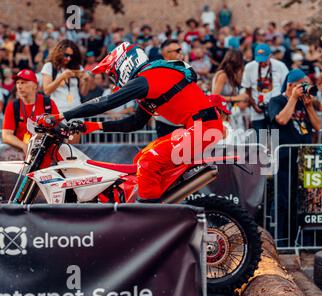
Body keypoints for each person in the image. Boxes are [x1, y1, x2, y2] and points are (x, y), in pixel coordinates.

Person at [42, 42, 224, 202]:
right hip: (199, 128)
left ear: (124, 64)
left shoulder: (149, 77)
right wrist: (95, 126)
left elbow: (106, 102)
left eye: (113, 74)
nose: (114, 81)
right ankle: (154, 201)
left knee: (148, 161)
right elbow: (135, 122)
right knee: (139, 159)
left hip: (203, 129)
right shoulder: (150, 80)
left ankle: (148, 216)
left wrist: (61, 116)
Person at [268, 69, 321, 246]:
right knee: (282, 200)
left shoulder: (303, 103)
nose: (305, 89)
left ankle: (296, 241)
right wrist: (292, 98)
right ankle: (279, 242)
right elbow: (281, 120)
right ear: (291, 85)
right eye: (302, 85)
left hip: (303, 159)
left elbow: (318, 126)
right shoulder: (276, 101)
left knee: (300, 202)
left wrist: (309, 106)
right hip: (284, 158)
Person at [2, 69, 58, 154]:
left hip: (45, 150)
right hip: (21, 150)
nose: (19, 86)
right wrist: (24, 146)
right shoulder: (12, 106)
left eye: (23, 82)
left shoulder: (48, 103)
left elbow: (58, 129)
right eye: (17, 83)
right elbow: (6, 135)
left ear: (35, 86)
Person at [241, 43, 289, 138]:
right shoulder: (249, 67)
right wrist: (254, 106)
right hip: (257, 110)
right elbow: (247, 89)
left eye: (264, 60)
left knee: (276, 139)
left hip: (275, 110)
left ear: (270, 56)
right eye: (260, 61)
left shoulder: (280, 66)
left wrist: (279, 106)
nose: (262, 63)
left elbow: (287, 87)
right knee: (259, 142)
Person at [41, 39, 90, 115]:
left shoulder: (78, 67)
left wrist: (86, 81)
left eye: (71, 56)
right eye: (66, 55)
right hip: (58, 111)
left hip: (77, 110)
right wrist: (61, 77)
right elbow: (47, 91)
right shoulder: (49, 66)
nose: (68, 58)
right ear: (59, 53)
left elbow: (83, 93)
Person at [154, 39, 185, 137]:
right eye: (177, 51)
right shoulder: (159, 71)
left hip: (183, 122)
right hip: (166, 122)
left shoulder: (185, 69)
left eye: (181, 50)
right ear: (166, 54)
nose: (181, 53)